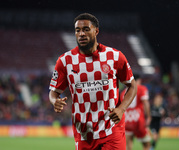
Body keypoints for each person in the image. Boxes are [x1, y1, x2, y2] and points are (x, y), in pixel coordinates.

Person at [49, 13, 137, 150]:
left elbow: (132, 86)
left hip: (112, 129)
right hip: (84, 132)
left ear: (96, 31)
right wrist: (55, 101)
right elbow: (53, 92)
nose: (81, 34)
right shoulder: (65, 61)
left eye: (86, 29)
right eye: (77, 30)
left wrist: (121, 109)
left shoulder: (114, 56)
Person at [120, 73, 151, 150]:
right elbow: (146, 103)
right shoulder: (141, 88)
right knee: (147, 144)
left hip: (127, 120)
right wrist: (149, 117)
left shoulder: (123, 92)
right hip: (138, 119)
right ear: (139, 80)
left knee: (128, 145)